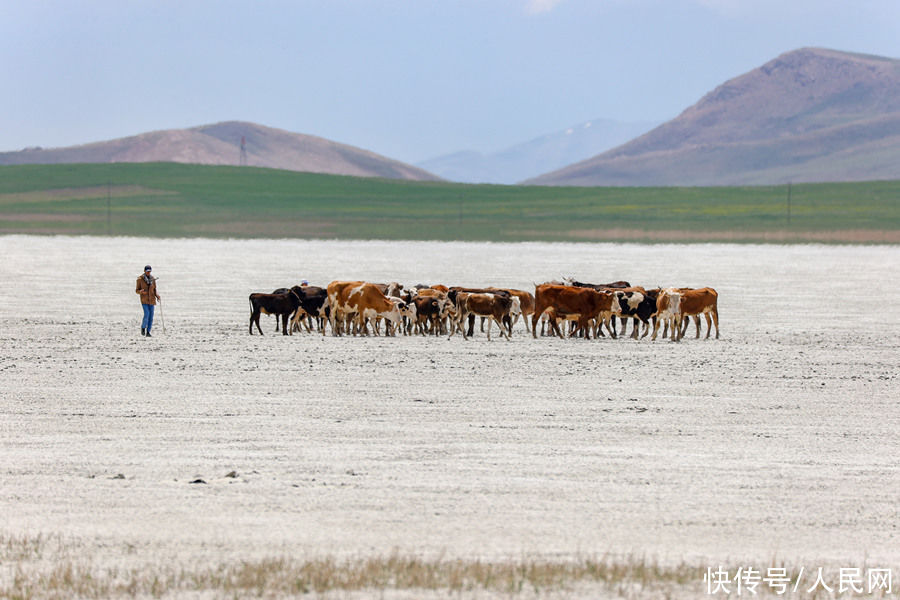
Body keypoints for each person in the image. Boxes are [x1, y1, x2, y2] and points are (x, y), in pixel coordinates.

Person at [135, 265, 161, 337]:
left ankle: (148, 332)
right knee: (146, 314)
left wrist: (157, 296)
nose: (148, 273)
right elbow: (136, 290)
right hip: (144, 300)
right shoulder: (140, 279)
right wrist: (141, 292)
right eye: (147, 271)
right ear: (144, 271)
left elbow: (154, 289)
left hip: (152, 300)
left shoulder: (153, 279)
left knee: (151, 316)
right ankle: (143, 327)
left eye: (149, 271)